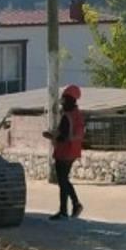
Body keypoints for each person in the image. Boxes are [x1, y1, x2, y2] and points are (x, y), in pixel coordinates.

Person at [43, 84, 85, 220]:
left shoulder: (68, 116)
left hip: (64, 151)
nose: (62, 103)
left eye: (64, 100)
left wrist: (50, 136)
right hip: (73, 151)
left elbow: (63, 136)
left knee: (62, 180)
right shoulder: (77, 115)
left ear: (69, 100)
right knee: (64, 180)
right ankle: (72, 206)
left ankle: (67, 209)